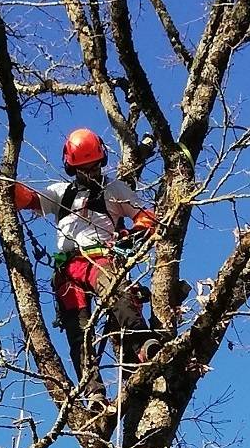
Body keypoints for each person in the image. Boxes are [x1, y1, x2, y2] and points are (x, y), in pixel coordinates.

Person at [13, 127, 160, 391]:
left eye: (94, 167)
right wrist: (6, 184)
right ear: (73, 168)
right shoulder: (61, 193)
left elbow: (145, 216)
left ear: (101, 161)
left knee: (116, 292)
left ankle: (145, 344)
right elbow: (29, 200)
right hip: (68, 268)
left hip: (99, 259)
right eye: (84, 169)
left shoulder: (115, 189)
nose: (91, 173)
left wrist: (134, 235)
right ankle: (93, 391)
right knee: (78, 329)